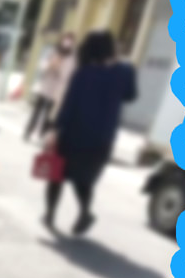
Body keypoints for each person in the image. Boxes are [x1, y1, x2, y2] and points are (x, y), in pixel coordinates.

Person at [43, 30, 137, 236]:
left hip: (74, 135)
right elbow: (131, 96)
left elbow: (69, 106)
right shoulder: (124, 72)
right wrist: (119, 62)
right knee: (84, 179)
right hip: (102, 139)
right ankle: (85, 212)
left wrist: (55, 129)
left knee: (57, 174)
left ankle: (50, 214)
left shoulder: (83, 74)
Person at [24, 32, 76, 141]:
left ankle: (42, 134)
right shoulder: (54, 51)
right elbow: (42, 65)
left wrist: (59, 67)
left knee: (49, 114)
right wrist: (49, 65)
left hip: (56, 90)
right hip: (45, 85)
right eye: (65, 39)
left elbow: (67, 75)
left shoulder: (71, 58)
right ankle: (28, 131)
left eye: (69, 41)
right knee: (37, 110)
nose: (66, 43)